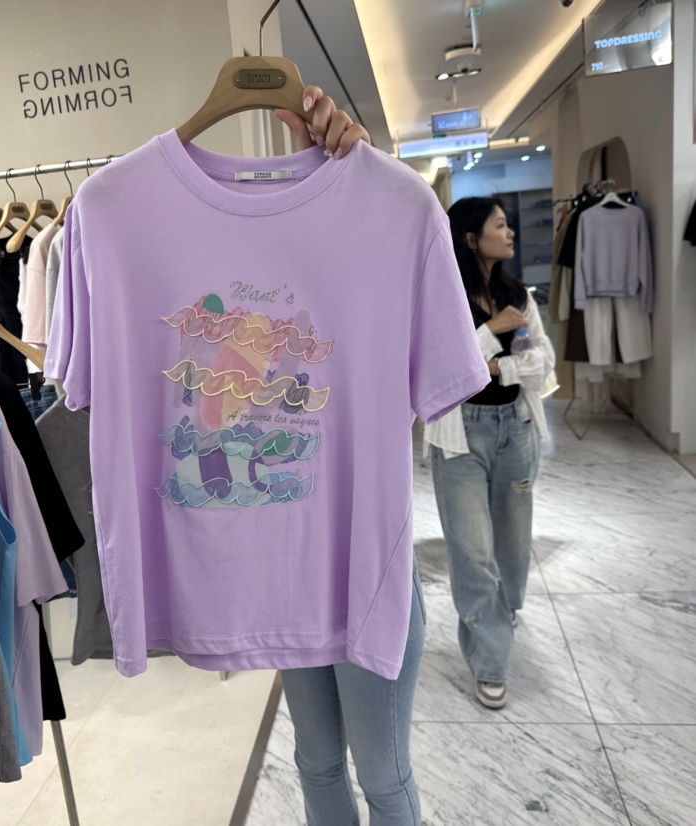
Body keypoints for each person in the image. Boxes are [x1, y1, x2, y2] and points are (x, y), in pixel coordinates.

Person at [275, 89, 424, 826]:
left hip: (369, 572)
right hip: (286, 570)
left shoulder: (380, 247)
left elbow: (396, 232)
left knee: (383, 774)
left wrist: (363, 178)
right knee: (316, 761)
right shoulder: (253, 299)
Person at [424, 197, 556, 710]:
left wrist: (500, 368)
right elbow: (440, 369)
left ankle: (505, 609)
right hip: (461, 436)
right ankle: (489, 660)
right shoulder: (444, 299)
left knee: (513, 545)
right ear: (471, 238)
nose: (510, 232)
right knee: (473, 552)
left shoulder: (518, 296)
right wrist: (491, 333)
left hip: (515, 429)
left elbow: (542, 363)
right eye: (500, 225)